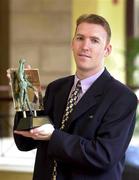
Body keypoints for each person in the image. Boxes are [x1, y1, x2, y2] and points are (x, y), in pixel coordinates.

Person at [13, 14, 138, 180]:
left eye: (94, 40)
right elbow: (26, 142)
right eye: (80, 38)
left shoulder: (123, 98)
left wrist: (53, 136)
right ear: (72, 43)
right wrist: (26, 95)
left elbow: (103, 156)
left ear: (107, 50)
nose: (85, 46)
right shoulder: (56, 88)